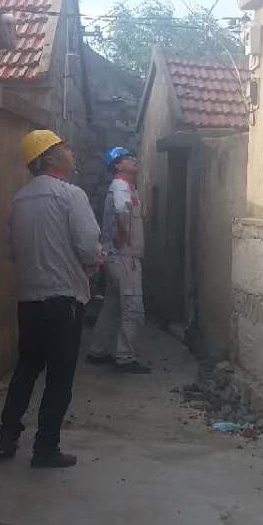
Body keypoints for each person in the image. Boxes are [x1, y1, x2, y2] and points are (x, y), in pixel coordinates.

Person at [0, 129, 103, 469]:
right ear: (49, 158)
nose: (72, 153)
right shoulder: (71, 195)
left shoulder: (19, 200)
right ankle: (45, 448)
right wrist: (92, 264)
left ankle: (7, 435)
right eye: (64, 148)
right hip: (64, 301)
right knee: (59, 377)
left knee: (27, 367)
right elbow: (88, 245)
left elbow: (12, 250)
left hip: (29, 300)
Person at [86, 146, 150, 374]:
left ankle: (98, 350)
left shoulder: (124, 186)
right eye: (126, 158)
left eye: (132, 156)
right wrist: (122, 237)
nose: (133, 160)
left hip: (115, 256)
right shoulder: (121, 186)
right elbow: (122, 212)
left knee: (112, 305)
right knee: (133, 307)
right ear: (117, 165)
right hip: (124, 257)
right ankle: (125, 357)